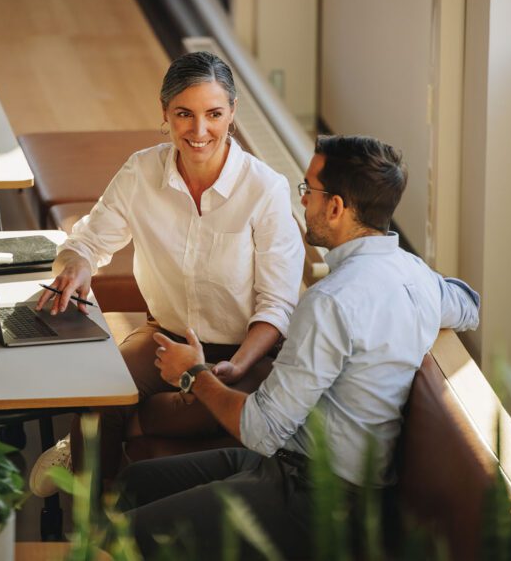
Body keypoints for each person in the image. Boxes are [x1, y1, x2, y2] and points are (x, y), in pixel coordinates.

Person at [116, 135, 481, 557]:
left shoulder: (330, 302)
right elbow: (468, 305)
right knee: (134, 482)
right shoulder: (414, 274)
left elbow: (259, 429)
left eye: (308, 190)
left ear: (336, 207)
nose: (302, 201)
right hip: (299, 468)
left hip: (317, 500)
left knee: (122, 537)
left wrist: (193, 373)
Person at [29, 51, 305, 496]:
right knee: (98, 391)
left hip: (246, 352)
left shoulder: (265, 189)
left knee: (182, 409)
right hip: (164, 338)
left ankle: (117, 433)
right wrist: (77, 264)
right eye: (184, 114)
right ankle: (92, 529)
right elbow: (88, 241)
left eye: (214, 114)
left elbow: (277, 305)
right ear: (165, 114)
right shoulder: (141, 171)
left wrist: (231, 368)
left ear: (232, 113)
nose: (199, 131)